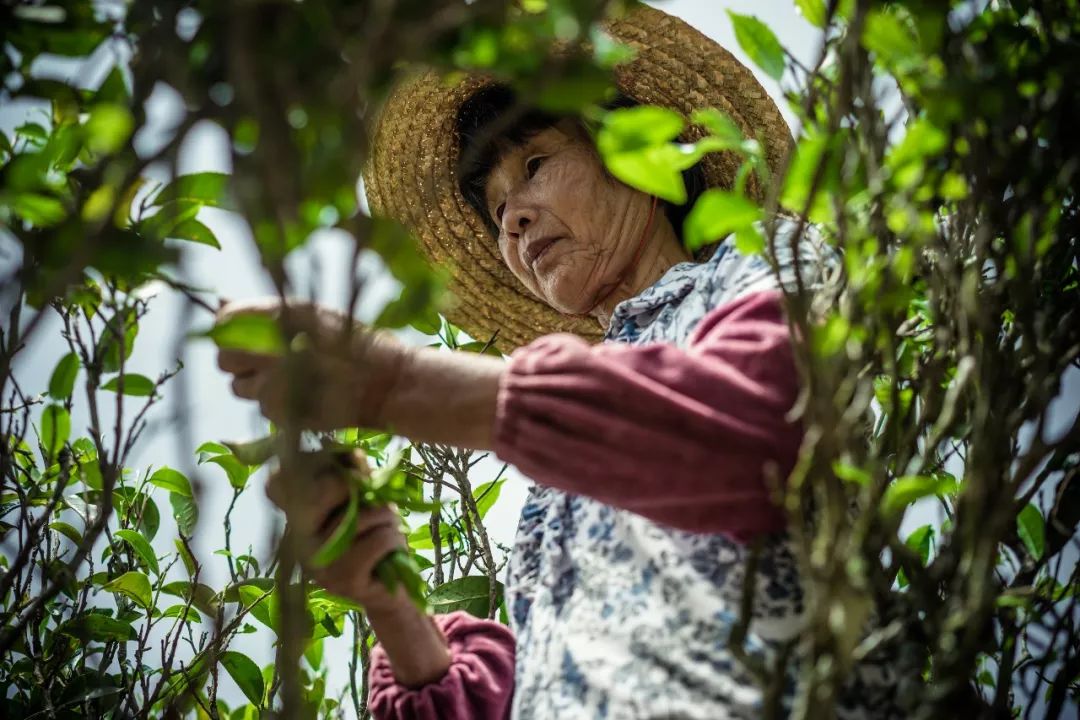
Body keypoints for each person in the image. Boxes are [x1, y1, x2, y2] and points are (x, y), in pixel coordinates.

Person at [216, 5, 899, 718]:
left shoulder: (762, 263)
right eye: (496, 210)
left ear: (644, 159)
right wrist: (392, 605)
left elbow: (756, 430)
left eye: (535, 165)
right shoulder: (560, 464)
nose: (512, 220)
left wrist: (397, 383)